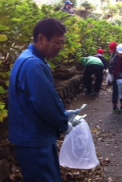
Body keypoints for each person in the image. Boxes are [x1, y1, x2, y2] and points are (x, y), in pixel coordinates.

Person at [8, 18, 80, 182]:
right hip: (35, 140)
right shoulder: (34, 65)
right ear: (41, 39)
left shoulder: (27, 59)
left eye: (62, 43)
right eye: (57, 42)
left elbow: (34, 99)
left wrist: (64, 113)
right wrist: (63, 123)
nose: (60, 47)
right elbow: (45, 104)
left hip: (31, 136)